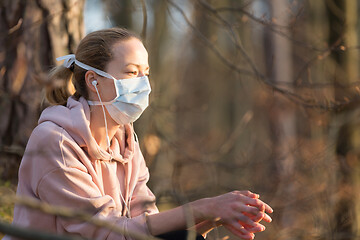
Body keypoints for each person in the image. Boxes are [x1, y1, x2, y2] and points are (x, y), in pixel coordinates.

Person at [3, 28, 273, 240]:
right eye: (131, 72)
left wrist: (207, 221)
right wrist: (203, 207)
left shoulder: (125, 140)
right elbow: (107, 232)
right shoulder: (56, 142)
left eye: (146, 73)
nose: (143, 84)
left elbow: (145, 228)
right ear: (93, 81)